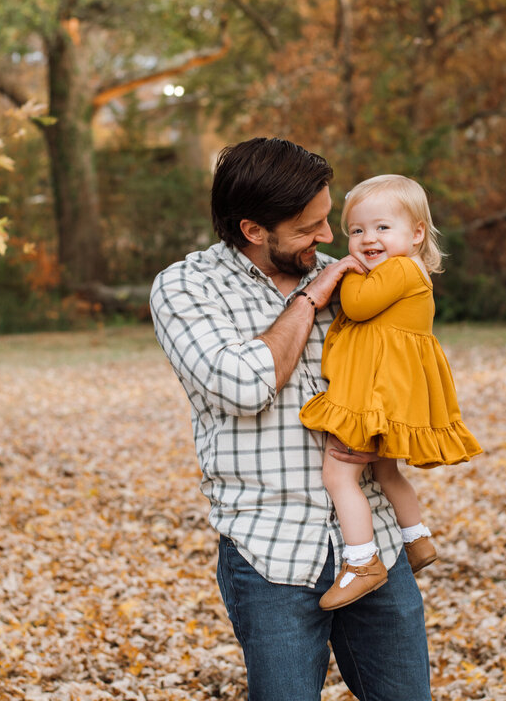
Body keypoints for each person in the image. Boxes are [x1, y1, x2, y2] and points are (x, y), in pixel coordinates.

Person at [150, 138, 432, 701]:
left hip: (372, 543)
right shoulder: (186, 288)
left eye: (329, 220)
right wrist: (306, 301)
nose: (328, 238)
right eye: (309, 227)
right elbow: (243, 386)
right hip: (270, 551)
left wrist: (386, 433)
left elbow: (405, 364)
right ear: (254, 230)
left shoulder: (356, 279)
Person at [299, 175, 483, 610]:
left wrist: (340, 271)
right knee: (385, 473)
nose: (367, 240)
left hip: (371, 396)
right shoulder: (403, 269)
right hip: (389, 393)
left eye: (382, 228)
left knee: (338, 475)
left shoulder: (399, 269)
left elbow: (358, 306)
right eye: (357, 231)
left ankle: (362, 561)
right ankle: (415, 538)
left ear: (416, 233)